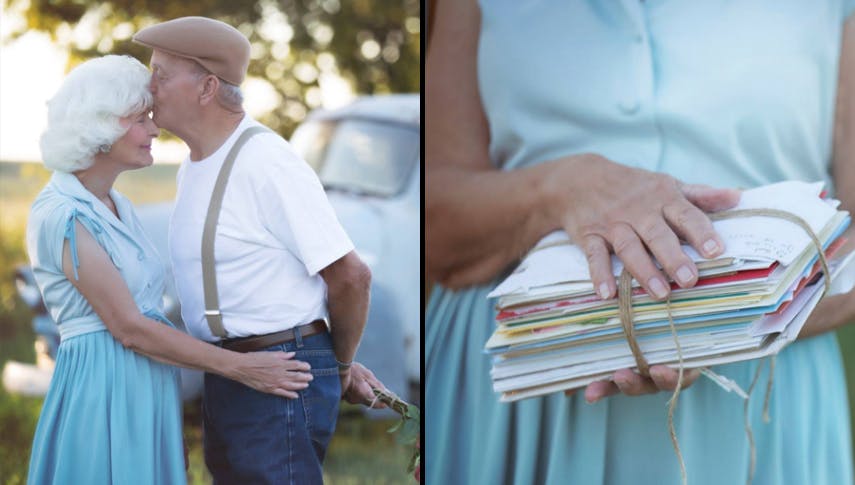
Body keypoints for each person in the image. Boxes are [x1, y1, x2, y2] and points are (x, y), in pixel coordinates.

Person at [426, 2, 855, 484]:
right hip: (516, 389)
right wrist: (559, 189)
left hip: (757, 403)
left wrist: (710, 324)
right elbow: (434, 222)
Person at [26, 55, 315, 484]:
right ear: (101, 127)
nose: (154, 130)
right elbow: (129, 328)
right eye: (140, 119)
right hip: (103, 389)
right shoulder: (62, 214)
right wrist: (241, 367)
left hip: (147, 385)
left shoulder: (118, 206)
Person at [131, 17, 386, 483]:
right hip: (230, 374)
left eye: (161, 74)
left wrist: (339, 367)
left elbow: (352, 277)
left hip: (277, 378)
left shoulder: (267, 161)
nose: (149, 88)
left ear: (207, 87)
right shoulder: (194, 167)